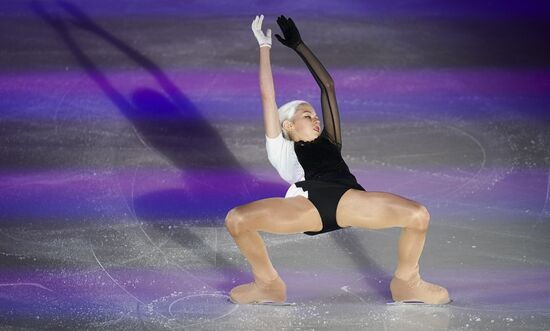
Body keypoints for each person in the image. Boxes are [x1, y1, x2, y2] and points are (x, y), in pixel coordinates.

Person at [224, 14, 450, 305]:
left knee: (418, 216)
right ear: (288, 126)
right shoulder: (280, 147)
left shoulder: (331, 141)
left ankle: (407, 282)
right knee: (238, 219)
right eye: (307, 116)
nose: (316, 120)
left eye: (316, 116)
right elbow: (268, 98)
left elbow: (327, 87)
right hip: (307, 205)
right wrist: (265, 48)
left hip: (348, 199)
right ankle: (267, 284)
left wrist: (300, 46)